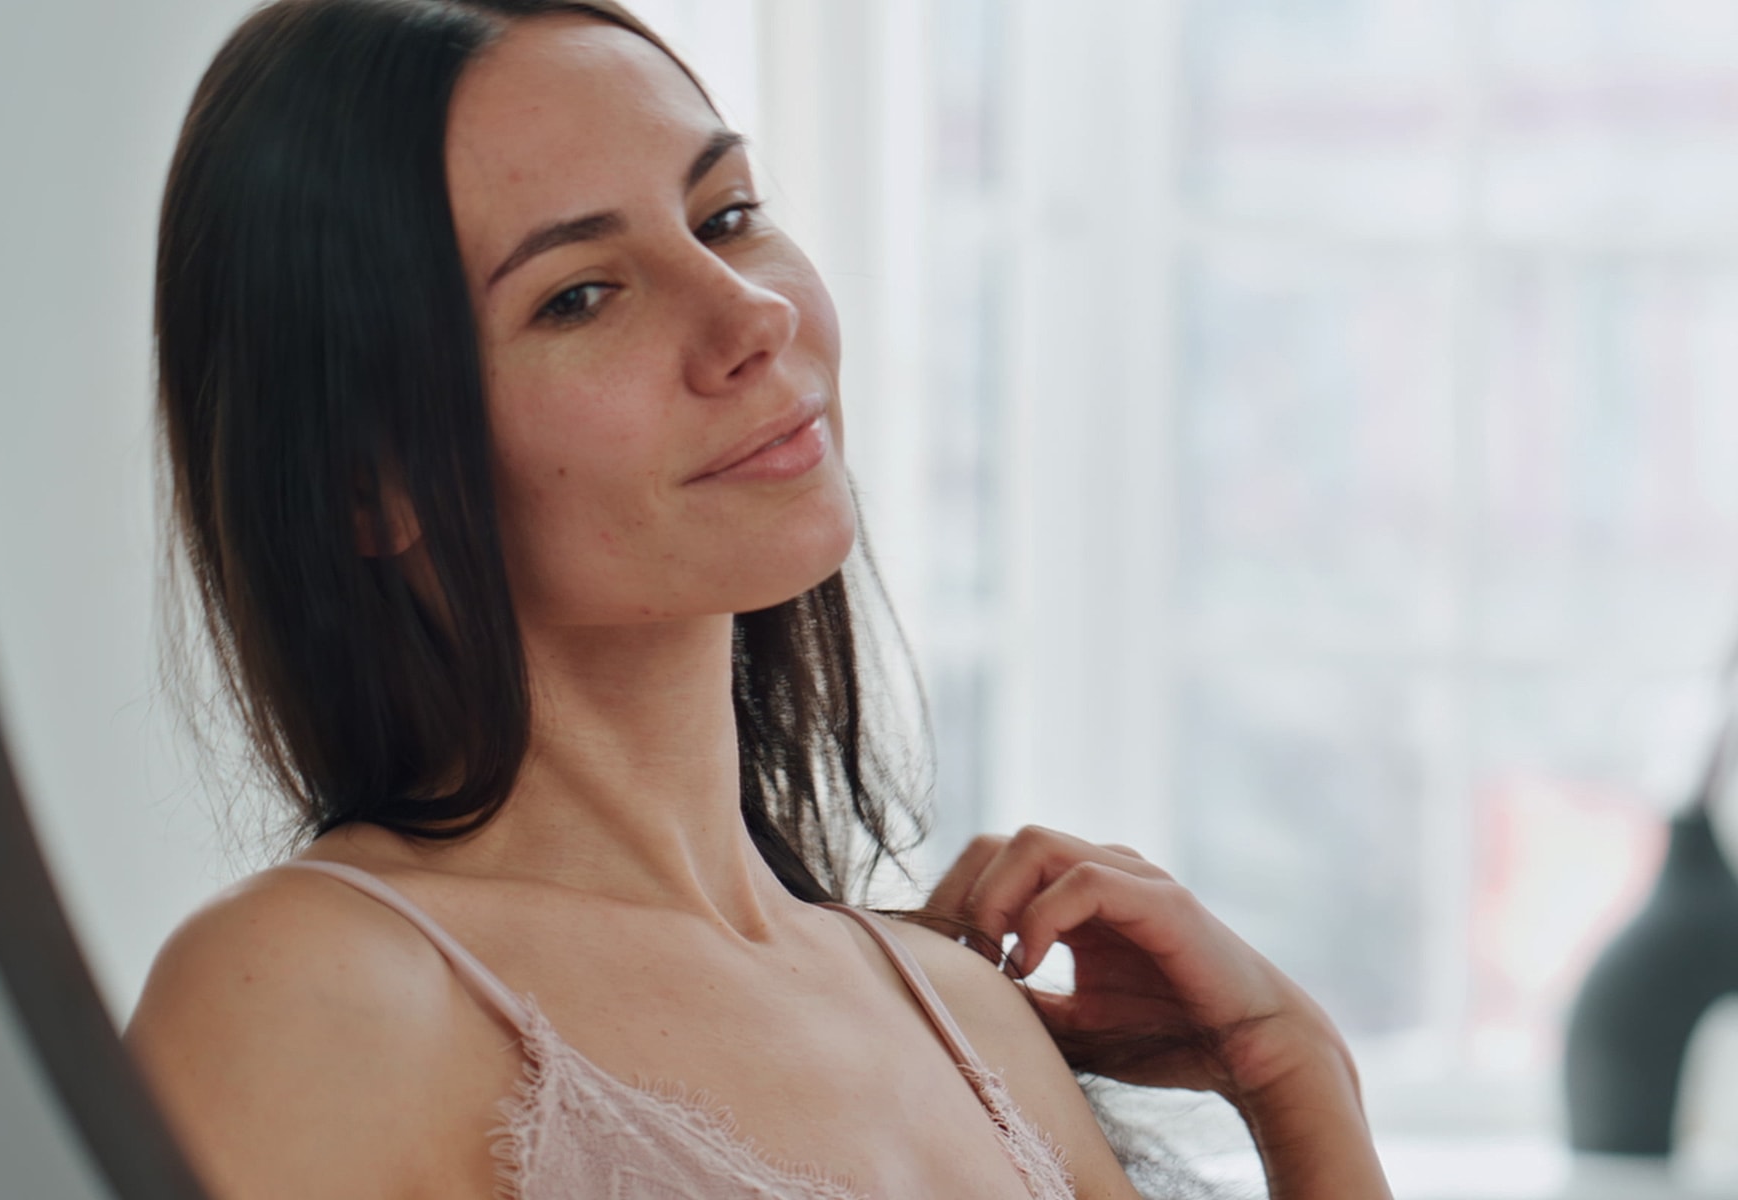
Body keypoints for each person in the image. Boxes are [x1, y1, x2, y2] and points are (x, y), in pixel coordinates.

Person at [124, 1, 1393, 1196]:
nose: (748, 311)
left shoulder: (963, 1020)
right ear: (367, 483)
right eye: (578, 295)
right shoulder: (313, 994)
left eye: (725, 216)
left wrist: (1294, 1080)